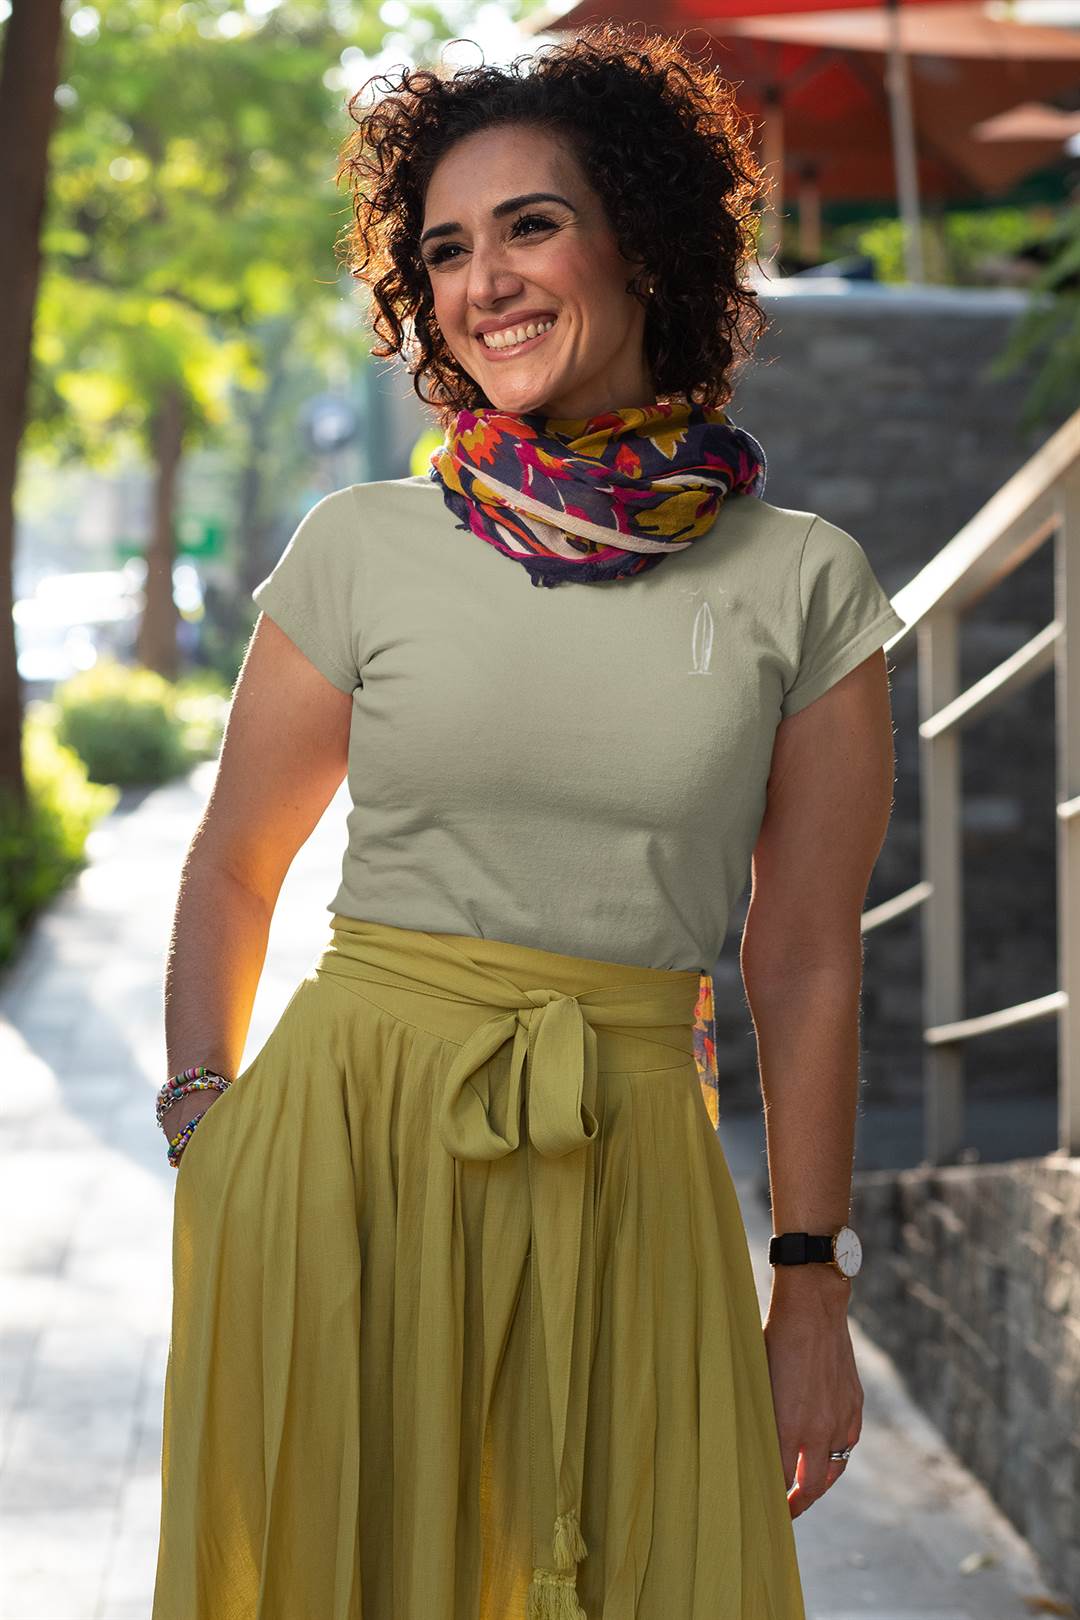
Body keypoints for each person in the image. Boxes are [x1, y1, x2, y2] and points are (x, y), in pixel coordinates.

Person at [151, 20, 904, 1620]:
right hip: (340, 1160)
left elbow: (808, 964)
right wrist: (206, 1125)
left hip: (627, 1155)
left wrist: (813, 1284)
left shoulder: (805, 584)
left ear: (642, 239)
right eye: (443, 249)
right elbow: (235, 862)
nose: (481, 278)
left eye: (531, 224)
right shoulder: (361, 545)